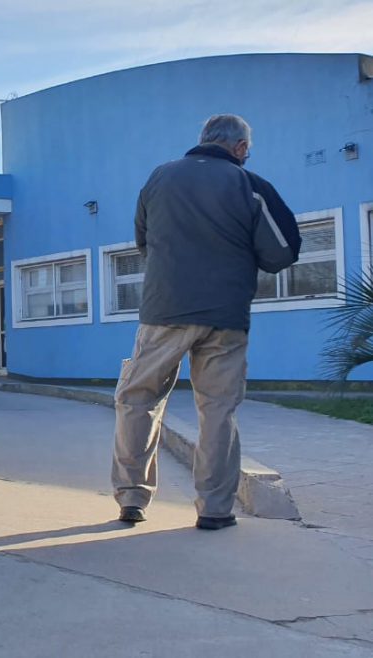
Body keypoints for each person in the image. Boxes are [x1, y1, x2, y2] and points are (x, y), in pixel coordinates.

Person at [113, 114, 301, 531]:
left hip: (164, 312)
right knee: (217, 410)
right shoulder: (250, 185)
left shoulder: (158, 178)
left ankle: (131, 498)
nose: (247, 156)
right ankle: (215, 509)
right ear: (237, 147)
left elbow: (143, 242)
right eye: (247, 150)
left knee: (137, 398)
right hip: (226, 318)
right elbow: (283, 253)